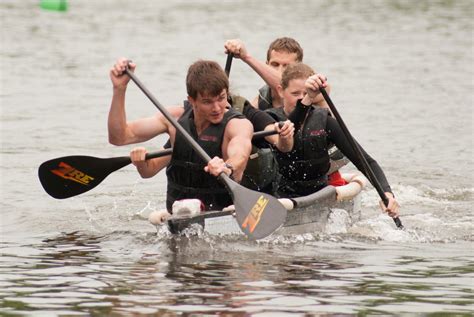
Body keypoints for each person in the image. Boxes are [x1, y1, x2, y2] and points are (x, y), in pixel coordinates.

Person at [108, 58, 293, 210]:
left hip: (221, 213)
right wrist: (119, 89)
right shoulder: (174, 120)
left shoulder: (237, 124)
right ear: (192, 100)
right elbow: (120, 137)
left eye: (221, 98)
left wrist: (227, 166)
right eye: (207, 102)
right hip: (179, 212)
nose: (217, 107)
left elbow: (240, 154)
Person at [267, 62, 399, 218]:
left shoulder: (325, 121)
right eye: (295, 94)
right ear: (281, 91)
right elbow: (291, 128)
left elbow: (366, 162)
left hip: (319, 195)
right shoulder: (269, 120)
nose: (301, 99)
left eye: (306, 94)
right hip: (280, 196)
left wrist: (387, 194)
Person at [224, 37, 346, 186]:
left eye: (287, 66)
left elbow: (280, 82)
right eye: (274, 65)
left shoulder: (318, 90)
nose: (279, 70)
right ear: (267, 65)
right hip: (285, 175)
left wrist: (246, 57)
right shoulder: (259, 101)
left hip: (325, 172)